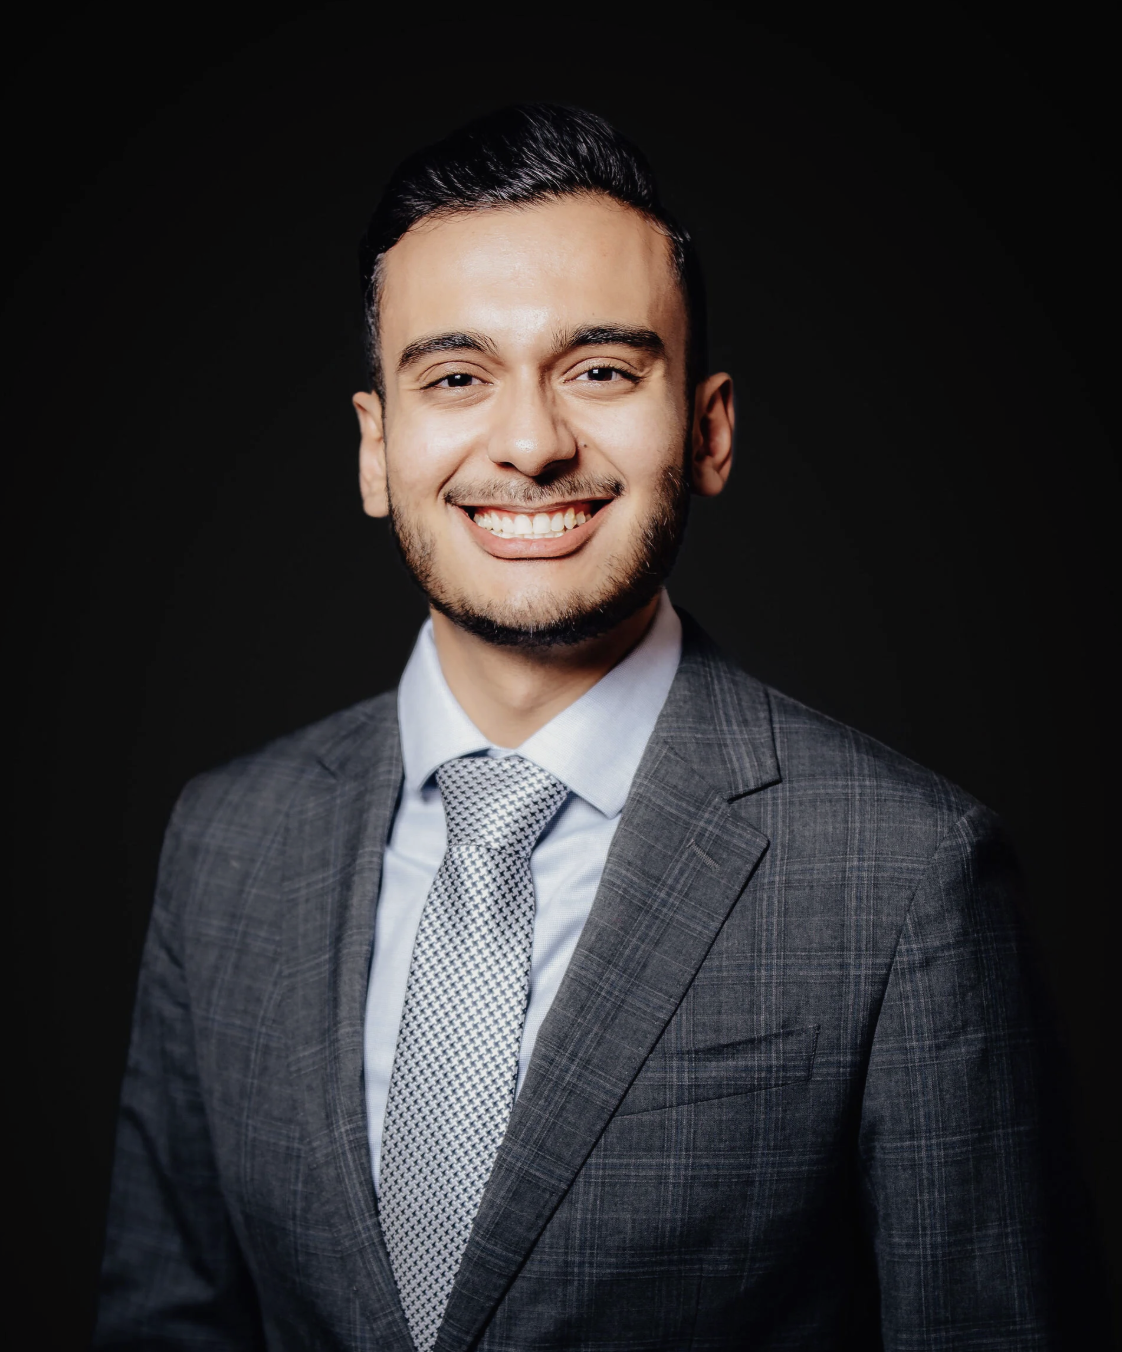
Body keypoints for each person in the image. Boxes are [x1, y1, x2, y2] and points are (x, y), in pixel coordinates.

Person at [95, 104, 1093, 1351]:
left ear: (711, 429)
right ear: (375, 445)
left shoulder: (908, 878)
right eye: (456, 378)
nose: (529, 443)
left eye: (603, 371)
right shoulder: (226, 844)